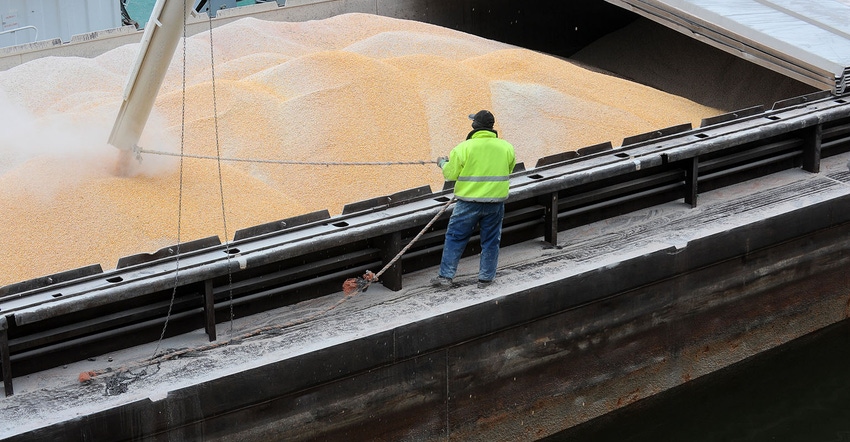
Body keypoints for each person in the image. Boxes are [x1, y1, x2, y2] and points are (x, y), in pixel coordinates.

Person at [431, 110, 516, 290]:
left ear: (474, 126)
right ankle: (485, 279)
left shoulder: (463, 148)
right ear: (491, 127)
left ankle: (446, 278)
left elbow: (450, 174)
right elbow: (509, 169)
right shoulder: (506, 147)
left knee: (455, 238)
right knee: (491, 240)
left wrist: (442, 163)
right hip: (495, 203)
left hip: (468, 203)